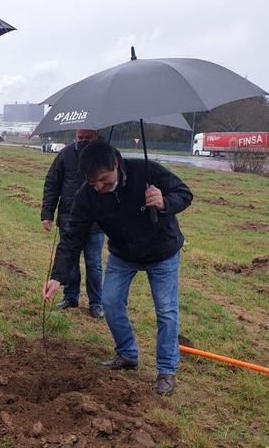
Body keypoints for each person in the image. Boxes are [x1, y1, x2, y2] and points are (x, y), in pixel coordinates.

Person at [43, 141, 193, 396]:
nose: (99, 187)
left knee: (166, 311)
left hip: (162, 251)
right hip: (123, 254)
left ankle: (166, 371)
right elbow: (72, 238)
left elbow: (185, 193)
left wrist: (164, 201)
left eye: (104, 179)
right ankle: (127, 354)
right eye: (93, 183)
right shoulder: (86, 195)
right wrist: (58, 276)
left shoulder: (147, 171)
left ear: (115, 165)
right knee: (110, 302)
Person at [41, 128, 105, 318]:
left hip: (96, 222)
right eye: (80, 138)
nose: (83, 141)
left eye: (87, 138)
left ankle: (96, 303)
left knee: (93, 264)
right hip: (69, 218)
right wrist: (47, 213)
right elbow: (52, 183)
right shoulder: (65, 155)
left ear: (96, 136)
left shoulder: (105, 156)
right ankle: (71, 297)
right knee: (71, 261)